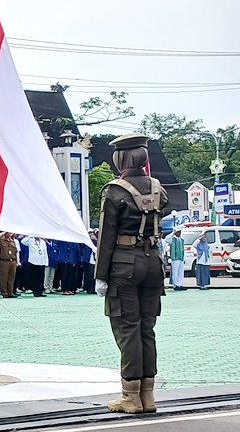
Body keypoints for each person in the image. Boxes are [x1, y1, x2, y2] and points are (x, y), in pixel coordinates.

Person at [96, 133, 167, 414]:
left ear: (120, 158)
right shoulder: (158, 188)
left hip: (124, 266)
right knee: (147, 329)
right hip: (153, 264)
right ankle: (148, 396)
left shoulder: (114, 191)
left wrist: (100, 275)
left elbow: (106, 236)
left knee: (128, 330)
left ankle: (130, 396)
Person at [0, 232, 19, 298]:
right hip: (4, 261)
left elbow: (15, 251)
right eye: (8, 232)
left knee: (11, 278)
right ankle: (4, 292)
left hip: (12, 261)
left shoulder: (12, 241)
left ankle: (10, 292)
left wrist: (16, 262)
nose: (10, 234)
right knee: (4, 278)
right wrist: (0, 235)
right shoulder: (1, 240)